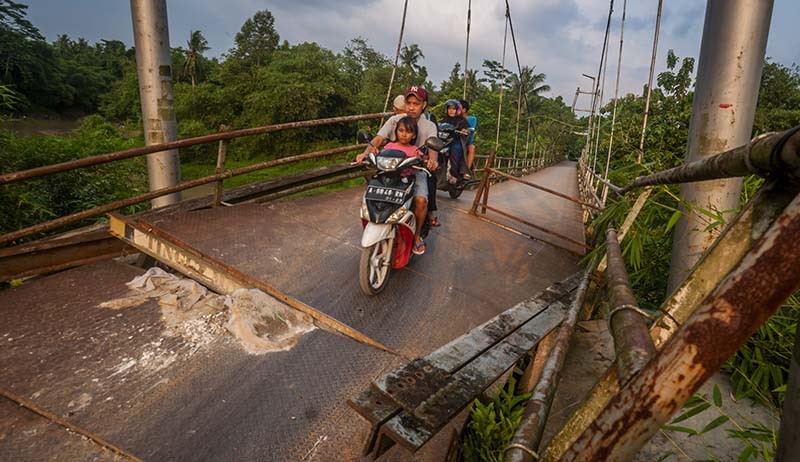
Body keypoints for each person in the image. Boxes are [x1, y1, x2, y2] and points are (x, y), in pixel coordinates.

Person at [356, 85, 439, 254]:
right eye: (408, 102)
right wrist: (364, 154)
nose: (411, 107)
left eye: (416, 103)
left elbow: (433, 149)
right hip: (389, 169)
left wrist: (432, 160)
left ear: (424, 105)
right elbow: (378, 139)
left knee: (421, 201)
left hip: (416, 171)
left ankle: (416, 236)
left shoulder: (429, 126)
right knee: (373, 191)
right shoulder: (395, 121)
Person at [440, 99, 471, 181]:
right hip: (443, 140)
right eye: (449, 108)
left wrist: (465, 131)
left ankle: (454, 175)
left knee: (456, 149)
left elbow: (468, 129)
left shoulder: (462, 120)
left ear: (457, 110)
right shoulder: (444, 119)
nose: (451, 111)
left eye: (453, 109)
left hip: (455, 140)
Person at [460, 99, 477, 174]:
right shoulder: (455, 118)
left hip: (466, 142)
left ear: (464, 109)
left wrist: (467, 130)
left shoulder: (472, 119)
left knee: (472, 148)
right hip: (456, 140)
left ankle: (467, 170)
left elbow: (472, 128)